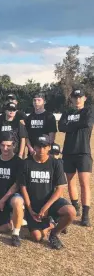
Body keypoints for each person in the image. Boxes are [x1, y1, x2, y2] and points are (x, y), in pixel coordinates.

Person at [18, 135, 76, 249]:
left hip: (50, 202)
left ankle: (54, 234)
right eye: (39, 147)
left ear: (49, 147)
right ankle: (51, 223)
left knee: (71, 212)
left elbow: (60, 188)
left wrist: (46, 207)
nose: (41, 150)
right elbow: (23, 187)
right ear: (34, 147)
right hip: (33, 204)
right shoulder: (26, 163)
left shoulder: (55, 163)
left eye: (45, 147)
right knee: (38, 237)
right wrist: (30, 209)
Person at [58, 89, 94, 226]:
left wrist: (70, 126)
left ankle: (85, 214)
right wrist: (72, 126)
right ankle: (76, 206)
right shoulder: (67, 112)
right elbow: (61, 127)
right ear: (71, 99)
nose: (77, 99)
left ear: (84, 98)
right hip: (68, 152)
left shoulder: (88, 111)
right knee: (70, 182)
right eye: (75, 97)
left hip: (83, 152)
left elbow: (87, 123)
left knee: (84, 183)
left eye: (80, 97)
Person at [0, 132, 24, 247]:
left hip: (12, 196)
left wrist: (3, 200)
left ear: (14, 145)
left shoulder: (19, 162)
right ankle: (18, 220)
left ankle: (16, 234)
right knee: (2, 228)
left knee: (17, 202)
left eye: (8, 145)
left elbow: (16, 185)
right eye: (3, 145)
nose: (5, 148)